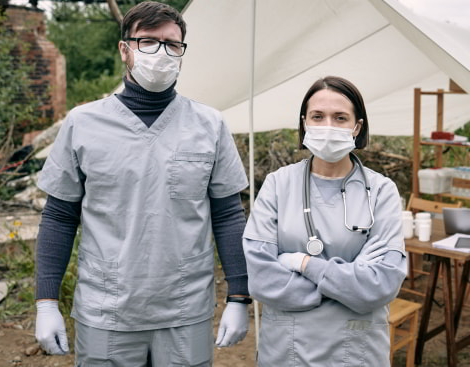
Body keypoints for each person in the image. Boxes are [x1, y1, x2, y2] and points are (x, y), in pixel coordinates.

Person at [33, 2, 251, 365]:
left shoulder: (209, 125)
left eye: (172, 44)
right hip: (107, 311)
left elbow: (228, 215)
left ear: (182, 53)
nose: (161, 53)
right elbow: (58, 217)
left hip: (185, 309)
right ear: (124, 49)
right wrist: (46, 302)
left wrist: (239, 296)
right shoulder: (83, 124)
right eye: (148, 41)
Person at [243, 76, 407, 365]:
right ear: (304, 122)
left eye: (340, 118)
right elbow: (261, 278)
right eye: (318, 116)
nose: (327, 125)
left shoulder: (381, 191)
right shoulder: (277, 184)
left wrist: (302, 264)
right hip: (286, 348)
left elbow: (381, 284)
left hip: (356, 350)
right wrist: (347, 286)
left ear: (357, 127)